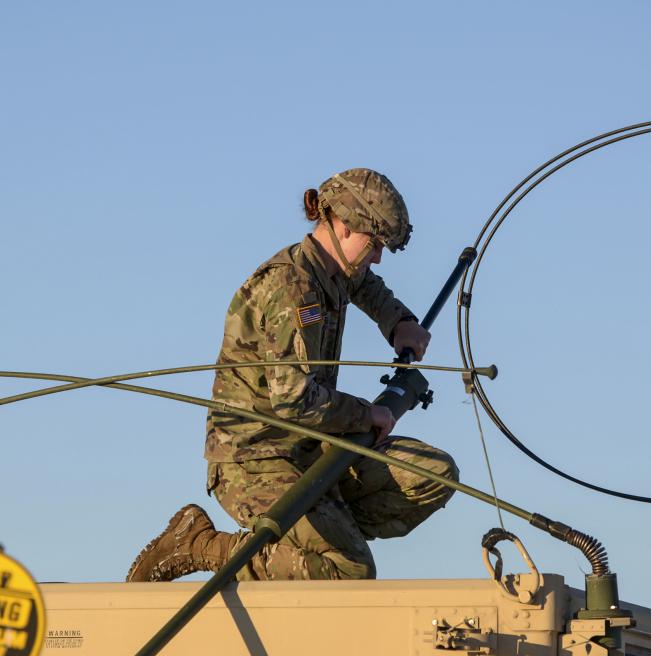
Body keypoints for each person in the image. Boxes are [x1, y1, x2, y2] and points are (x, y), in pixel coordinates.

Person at [126, 168, 458, 582]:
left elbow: (365, 286)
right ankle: (202, 545)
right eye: (374, 244)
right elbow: (294, 400)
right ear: (341, 225)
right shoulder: (292, 290)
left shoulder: (330, 270)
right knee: (348, 571)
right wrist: (365, 415)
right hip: (255, 459)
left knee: (432, 473)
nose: (377, 256)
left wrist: (398, 321)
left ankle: (320, 532)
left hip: (311, 447)